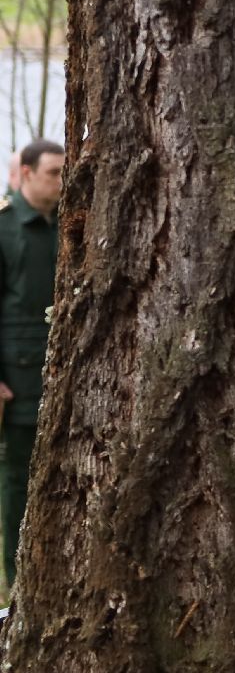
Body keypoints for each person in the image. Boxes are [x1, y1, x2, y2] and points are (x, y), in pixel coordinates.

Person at [0, 138, 64, 588]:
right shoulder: (4, 231)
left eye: (64, 172)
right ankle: (19, 582)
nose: (62, 181)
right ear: (24, 173)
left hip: (67, 373)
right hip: (18, 378)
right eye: (53, 173)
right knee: (19, 478)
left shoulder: (74, 224)